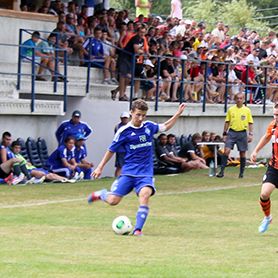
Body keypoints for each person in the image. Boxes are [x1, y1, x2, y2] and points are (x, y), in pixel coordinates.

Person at [88, 99, 186, 236]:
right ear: (131, 113)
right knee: (113, 201)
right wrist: (99, 167)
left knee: (144, 194)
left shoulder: (149, 127)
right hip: (128, 172)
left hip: (145, 173)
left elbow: (165, 126)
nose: (141, 118)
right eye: (138, 115)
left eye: (143, 115)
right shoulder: (124, 131)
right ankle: (101, 194)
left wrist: (178, 113)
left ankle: (138, 230)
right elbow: (111, 150)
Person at [250, 103, 278, 233]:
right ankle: (267, 217)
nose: (276, 117)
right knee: (264, 193)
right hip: (275, 167)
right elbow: (266, 137)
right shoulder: (273, 125)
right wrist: (256, 150)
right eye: (274, 114)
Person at [217, 92, 254, 178]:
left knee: (242, 153)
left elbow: (250, 123)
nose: (239, 100)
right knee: (226, 151)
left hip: (242, 133)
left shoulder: (247, 110)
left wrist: (251, 134)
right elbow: (227, 122)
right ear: (235, 99)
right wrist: (224, 133)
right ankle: (221, 171)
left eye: (241, 98)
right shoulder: (231, 109)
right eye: (237, 98)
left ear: (243, 100)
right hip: (232, 132)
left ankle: (241, 173)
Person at [114, 112, 130, 177]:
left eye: (126, 118)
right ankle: (117, 179)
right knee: (120, 166)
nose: (125, 119)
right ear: (121, 118)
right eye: (123, 118)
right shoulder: (118, 126)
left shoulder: (130, 125)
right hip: (121, 149)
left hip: (128, 149)